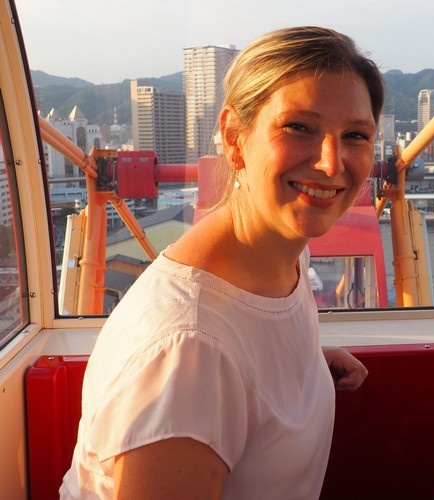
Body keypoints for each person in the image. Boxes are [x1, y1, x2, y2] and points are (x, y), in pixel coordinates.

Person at [60, 26, 384, 498]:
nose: (333, 164)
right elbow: (207, 358)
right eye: (299, 127)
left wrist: (304, 366)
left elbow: (246, 341)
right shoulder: (189, 351)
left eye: (355, 135)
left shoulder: (283, 248)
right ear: (234, 138)